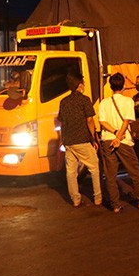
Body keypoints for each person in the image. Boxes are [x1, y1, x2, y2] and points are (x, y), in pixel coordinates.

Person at [99, 73, 139, 213]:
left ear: (110, 86)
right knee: (135, 171)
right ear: (123, 86)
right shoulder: (128, 101)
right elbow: (127, 120)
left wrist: (114, 132)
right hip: (123, 141)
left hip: (107, 140)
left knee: (111, 175)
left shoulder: (103, 102)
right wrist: (119, 136)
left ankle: (115, 205)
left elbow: (102, 121)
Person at [57, 72, 102, 208]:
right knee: (94, 167)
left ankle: (75, 199)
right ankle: (98, 197)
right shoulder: (85, 100)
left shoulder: (63, 102)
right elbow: (90, 120)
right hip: (82, 139)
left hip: (68, 141)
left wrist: (62, 139)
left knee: (71, 171)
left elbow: (61, 122)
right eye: (82, 83)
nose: (84, 85)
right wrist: (94, 137)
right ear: (79, 85)